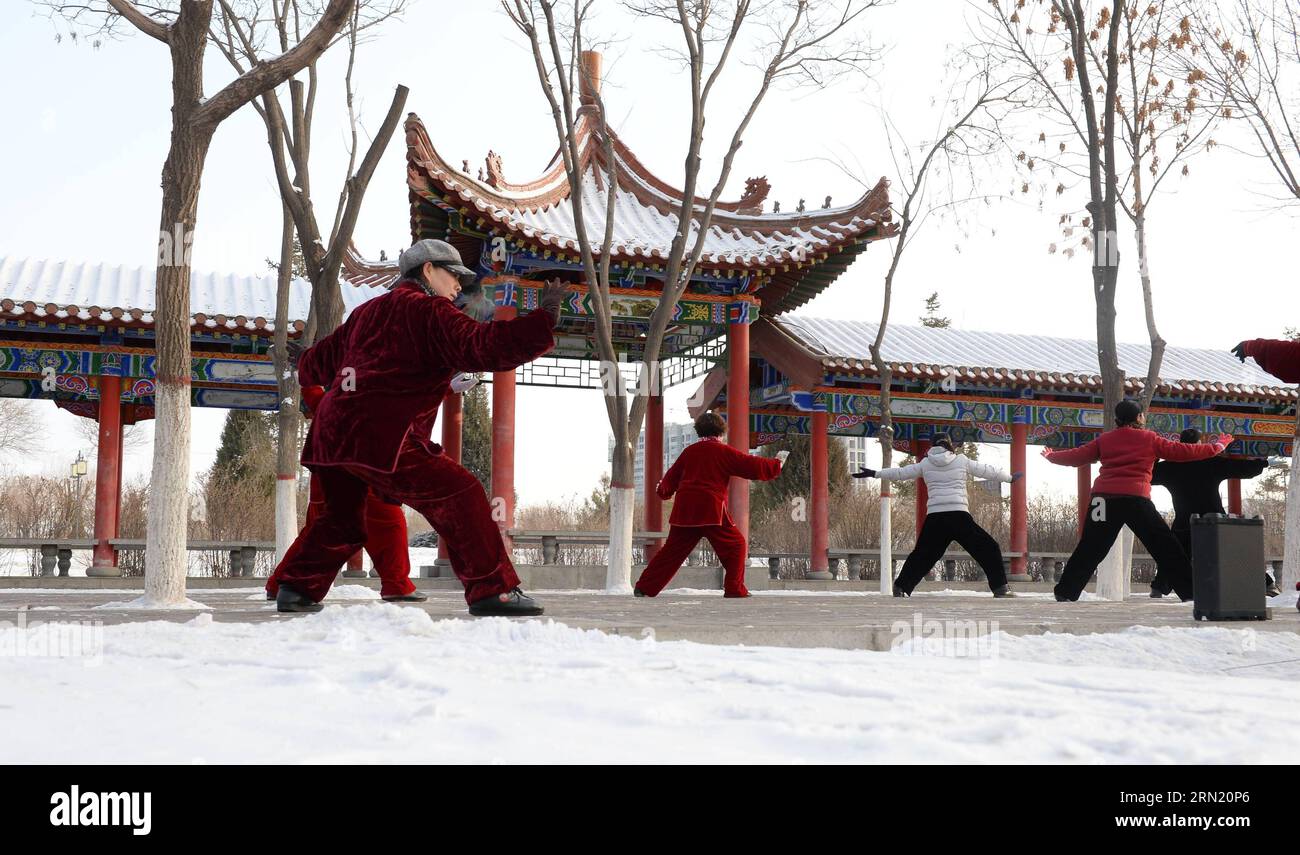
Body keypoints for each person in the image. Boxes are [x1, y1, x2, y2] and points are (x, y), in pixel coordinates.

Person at [271, 238, 563, 615]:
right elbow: (484, 346)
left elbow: (323, 361)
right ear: (428, 270)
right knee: (463, 496)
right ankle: (495, 591)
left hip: (332, 436)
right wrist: (544, 319)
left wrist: (304, 360)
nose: (459, 285)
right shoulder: (429, 312)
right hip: (383, 435)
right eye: (454, 274)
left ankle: (296, 588)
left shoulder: (367, 312)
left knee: (343, 520)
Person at [264, 374, 478, 603]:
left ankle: (282, 585)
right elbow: (406, 401)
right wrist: (445, 388)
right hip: (363, 470)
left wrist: (307, 377)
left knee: (317, 531)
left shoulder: (337, 397)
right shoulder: (372, 386)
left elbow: (318, 399)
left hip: (329, 472)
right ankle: (396, 584)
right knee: (388, 524)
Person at [1042, 399, 1233, 602]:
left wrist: (1052, 456)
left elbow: (1077, 456)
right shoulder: (1149, 438)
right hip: (1135, 499)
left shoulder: (1105, 439)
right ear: (1139, 417)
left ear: (1117, 419)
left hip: (1103, 499)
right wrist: (1217, 446)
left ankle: (1065, 591)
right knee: (1166, 547)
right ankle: (1192, 593)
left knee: (1090, 547)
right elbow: (1184, 451)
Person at [633, 412, 786, 598]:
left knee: (671, 553)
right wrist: (776, 465)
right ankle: (734, 588)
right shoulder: (722, 451)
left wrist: (663, 491)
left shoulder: (689, 452)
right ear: (721, 430)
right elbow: (749, 464)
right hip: (711, 510)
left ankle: (644, 587)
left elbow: (669, 481)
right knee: (736, 546)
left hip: (685, 511)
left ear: (699, 431)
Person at [853, 434, 1020, 597]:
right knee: (989, 548)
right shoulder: (961, 460)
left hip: (935, 518)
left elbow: (900, 473)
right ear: (949, 445)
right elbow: (987, 471)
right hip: (959, 516)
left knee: (923, 555)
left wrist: (875, 473)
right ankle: (1001, 588)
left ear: (932, 446)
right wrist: (1010, 478)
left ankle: (901, 587)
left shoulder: (925, 463)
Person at [1149, 428, 1274, 598]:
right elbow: (1242, 468)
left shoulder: (1171, 466)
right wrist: (1263, 463)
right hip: (1214, 518)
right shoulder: (1211, 462)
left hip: (1184, 521)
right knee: (1234, 550)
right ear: (1200, 443)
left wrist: (1155, 456)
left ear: (1180, 443)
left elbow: (1150, 473)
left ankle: (1159, 587)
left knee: (1174, 552)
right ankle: (1266, 584)